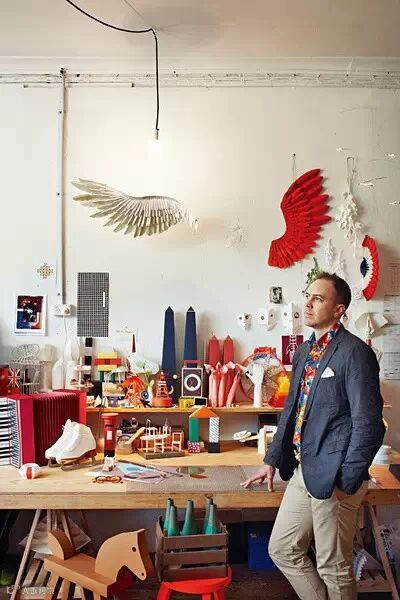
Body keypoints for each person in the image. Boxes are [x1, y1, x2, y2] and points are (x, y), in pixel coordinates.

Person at [241, 272, 385, 600]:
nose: (307, 303)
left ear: (338, 310)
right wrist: (271, 460)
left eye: (318, 298)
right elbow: (292, 409)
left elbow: (369, 425)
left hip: (334, 477)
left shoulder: (355, 353)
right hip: (303, 469)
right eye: (308, 295)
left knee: (333, 566)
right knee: (282, 549)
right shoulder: (305, 351)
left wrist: (346, 480)